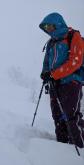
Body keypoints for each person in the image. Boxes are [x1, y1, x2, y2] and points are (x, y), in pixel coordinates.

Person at [39, 12, 84, 148]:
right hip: (55, 84)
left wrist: (54, 74)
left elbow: (76, 61)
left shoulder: (73, 36)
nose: (48, 29)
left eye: (49, 26)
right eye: (46, 27)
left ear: (57, 23)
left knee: (70, 116)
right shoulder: (51, 42)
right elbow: (47, 62)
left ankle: (79, 148)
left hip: (71, 82)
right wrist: (45, 73)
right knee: (58, 117)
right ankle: (62, 149)